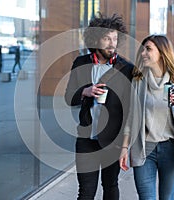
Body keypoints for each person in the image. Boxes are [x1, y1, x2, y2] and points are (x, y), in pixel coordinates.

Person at [119, 35, 174, 200]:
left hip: (171, 149)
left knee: (167, 197)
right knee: (146, 197)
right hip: (144, 147)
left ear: (162, 53)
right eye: (143, 49)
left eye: (148, 49)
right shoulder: (138, 81)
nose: (143, 53)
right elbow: (131, 117)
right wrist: (124, 148)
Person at [64, 13, 133, 200]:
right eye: (106, 38)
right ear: (95, 39)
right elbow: (69, 98)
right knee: (86, 191)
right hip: (86, 138)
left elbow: (131, 109)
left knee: (110, 186)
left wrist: (125, 145)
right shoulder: (81, 63)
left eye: (115, 38)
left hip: (113, 139)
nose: (112, 43)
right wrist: (84, 92)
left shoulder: (127, 68)